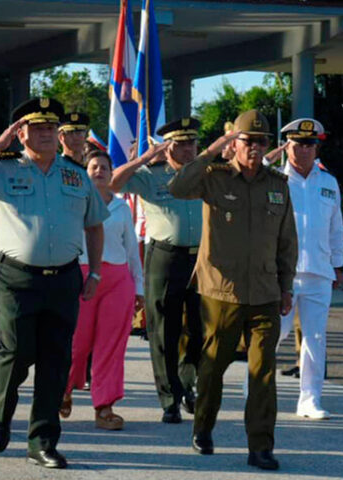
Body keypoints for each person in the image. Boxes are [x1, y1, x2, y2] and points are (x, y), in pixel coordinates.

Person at [0, 97, 108, 469]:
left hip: (65, 277)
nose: (48, 132)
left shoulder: (75, 172)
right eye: (37, 126)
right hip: (18, 277)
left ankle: (42, 442)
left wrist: (95, 272)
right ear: (20, 133)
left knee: (55, 362)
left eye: (52, 126)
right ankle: (2, 415)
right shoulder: (1, 168)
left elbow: (94, 224)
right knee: (17, 354)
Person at [168, 109, 298, 471]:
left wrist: (286, 287)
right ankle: (203, 427)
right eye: (247, 140)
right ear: (235, 143)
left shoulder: (278, 184)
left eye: (261, 141)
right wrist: (210, 151)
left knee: (263, 372)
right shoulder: (214, 177)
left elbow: (287, 241)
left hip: (265, 292)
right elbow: (177, 188)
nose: (254, 147)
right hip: (220, 292)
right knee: (212, 367)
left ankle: (260, 446)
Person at [109, 117, 204, 424]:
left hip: (202, 259)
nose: (187, 149)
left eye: (191, 142)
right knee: (164, 330)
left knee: (202, 329)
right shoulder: (151, 176)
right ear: (167, 147)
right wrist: (145, 158)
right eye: (180, 143)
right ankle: (169, 398)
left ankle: (188, 381)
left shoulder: (206, 174)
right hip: (165, 258)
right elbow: (111, 183)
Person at [60, 150, 144, 431]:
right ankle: (64, 390)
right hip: (83, 277)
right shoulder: (74, 203)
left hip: (118, 280)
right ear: (86, 172)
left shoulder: (121, 207)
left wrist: (139, 287)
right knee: (77, 343)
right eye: (94, 167)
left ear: (111, 174)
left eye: (104, 168)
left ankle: (104, 407)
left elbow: (132, 251)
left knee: (111, 346)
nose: (99, 171)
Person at [276, 118, 343, 419]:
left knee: (315, 338)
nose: (304, 150)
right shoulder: (276, 179)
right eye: (298, 145)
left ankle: (310, 399)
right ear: (287, 146)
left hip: (318, 271)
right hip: (283, 274)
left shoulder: (328, 182)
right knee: (274, 334)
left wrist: (338, 264)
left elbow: (336, 228)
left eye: (310, 145)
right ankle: (256, 387)